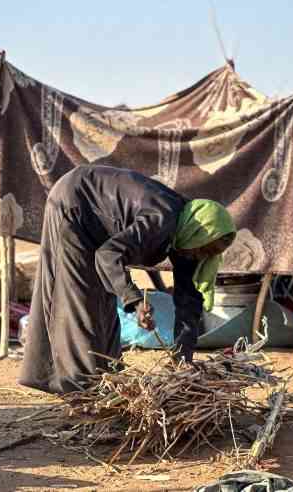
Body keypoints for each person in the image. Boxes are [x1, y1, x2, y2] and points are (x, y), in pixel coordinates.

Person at [19, 165, 236, 394]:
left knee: (104, 301)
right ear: (198, 232)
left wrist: (183, 361)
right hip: (74, 203)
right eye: (201, 250)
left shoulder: (187, 238)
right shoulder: (161, 219)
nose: (197, 257)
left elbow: (188, 302)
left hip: (96, 223)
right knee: (81, 303)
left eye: (206, 255)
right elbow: (108, 255)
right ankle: (81, 391)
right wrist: (135, 300)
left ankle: (107, 380)